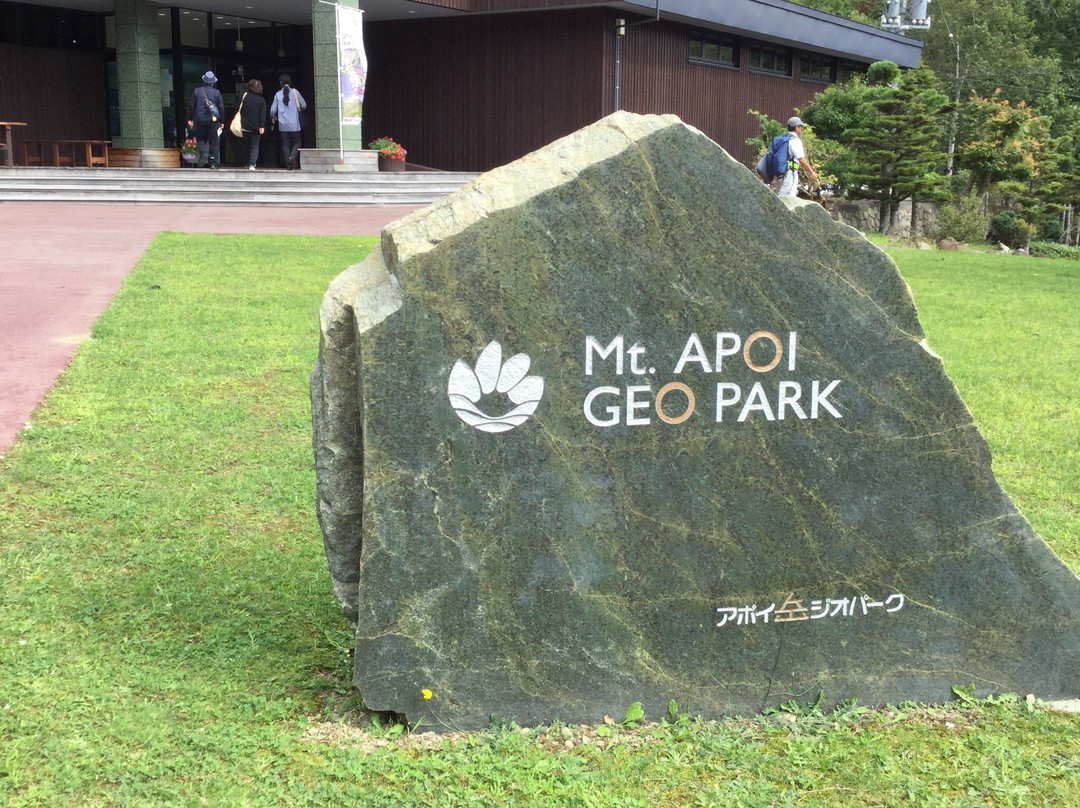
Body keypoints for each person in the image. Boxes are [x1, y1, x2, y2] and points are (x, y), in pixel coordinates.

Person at [187, 71, 225, 169]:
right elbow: (221, 108)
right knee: (214, 141)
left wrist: (190, 118)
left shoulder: (196, 91)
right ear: (213, 82)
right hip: (214, 121)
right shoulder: (217, 93)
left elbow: (191, 106)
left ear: (204, 80)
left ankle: (203, 153)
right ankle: (213, 162)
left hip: (200, 120)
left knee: (200, 139)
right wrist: (222, 121)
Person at [270, 75, 306, 170]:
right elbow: (304, 105)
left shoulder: (277, 95)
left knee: (285, 144)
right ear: (290, 82)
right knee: (298, 142)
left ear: (280, 83)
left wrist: (274, 117)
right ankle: (292, 157)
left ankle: (288, 165)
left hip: (282, 125)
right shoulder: (295, 92)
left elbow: (272, 110)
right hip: (294, 124)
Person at [777, 116, 818, 197]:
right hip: (789, 173)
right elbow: (801, 159)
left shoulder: (782, 138)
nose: (801, 129)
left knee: (781, 196)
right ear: (797, 127)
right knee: (787, 198)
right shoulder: (795, 140)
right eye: (800, 127)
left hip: (778, 172)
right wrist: (811, 172)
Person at [238, 78, 267, 170]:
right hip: (256, 126)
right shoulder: (261, 100)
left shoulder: (244, 97)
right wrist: (262, 125)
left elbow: (238, 108)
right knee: (255, 145)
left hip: (244, 125)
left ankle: (246, 162)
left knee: (246, 145)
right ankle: (252, 163)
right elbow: (262, 114)